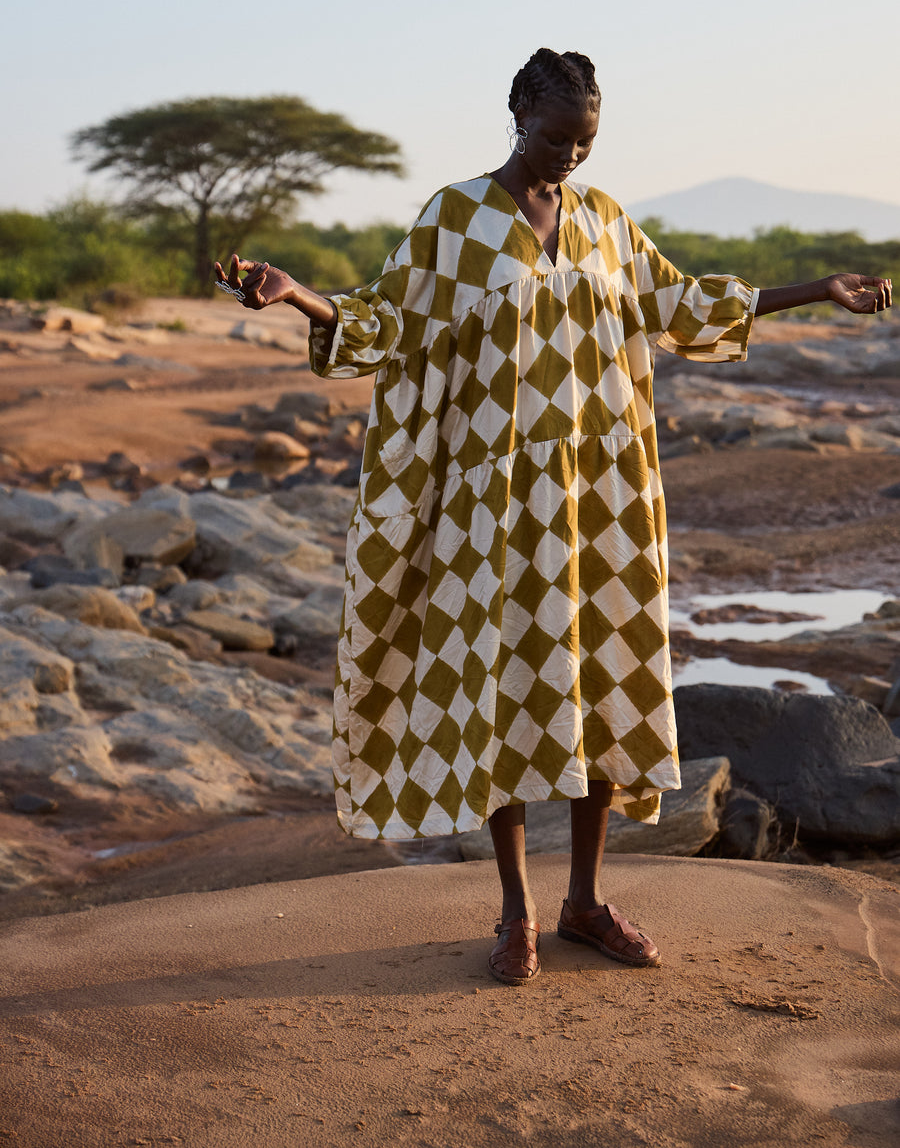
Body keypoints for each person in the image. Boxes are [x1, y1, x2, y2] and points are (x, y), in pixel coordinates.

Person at [216, 48, 892, 986]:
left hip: (601, 494)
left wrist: (817, 291)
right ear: (517, 117)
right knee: (506, 691)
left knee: (602, 681)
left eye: (585, 141)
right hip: (494, 506)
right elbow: (387, 322)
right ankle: (515, 911)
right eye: (554, 137)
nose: (570, 157)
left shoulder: (606, 221)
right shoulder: (455, 220)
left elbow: (681, 302)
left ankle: (585, 899)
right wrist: (297, 296)